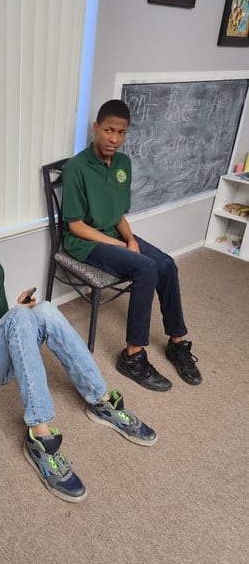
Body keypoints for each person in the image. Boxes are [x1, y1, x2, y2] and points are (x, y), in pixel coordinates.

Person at [0, 213, 157, 504]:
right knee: (20, 316)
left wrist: (20, 314)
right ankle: (40, 437)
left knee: (43, 309)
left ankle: (100, 400)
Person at [62, 99, 202, 393]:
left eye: (121, 132)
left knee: (166, 264)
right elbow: (75, 226)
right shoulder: (76, 167)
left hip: (113, 234)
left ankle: (177, 342)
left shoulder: (123, 164)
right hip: (84, 242)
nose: (114, 138)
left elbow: (118, 216)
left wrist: (130, 240)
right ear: (96, 128)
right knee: (145, 268)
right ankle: (133, 356)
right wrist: (119, 244)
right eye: (108, 130)